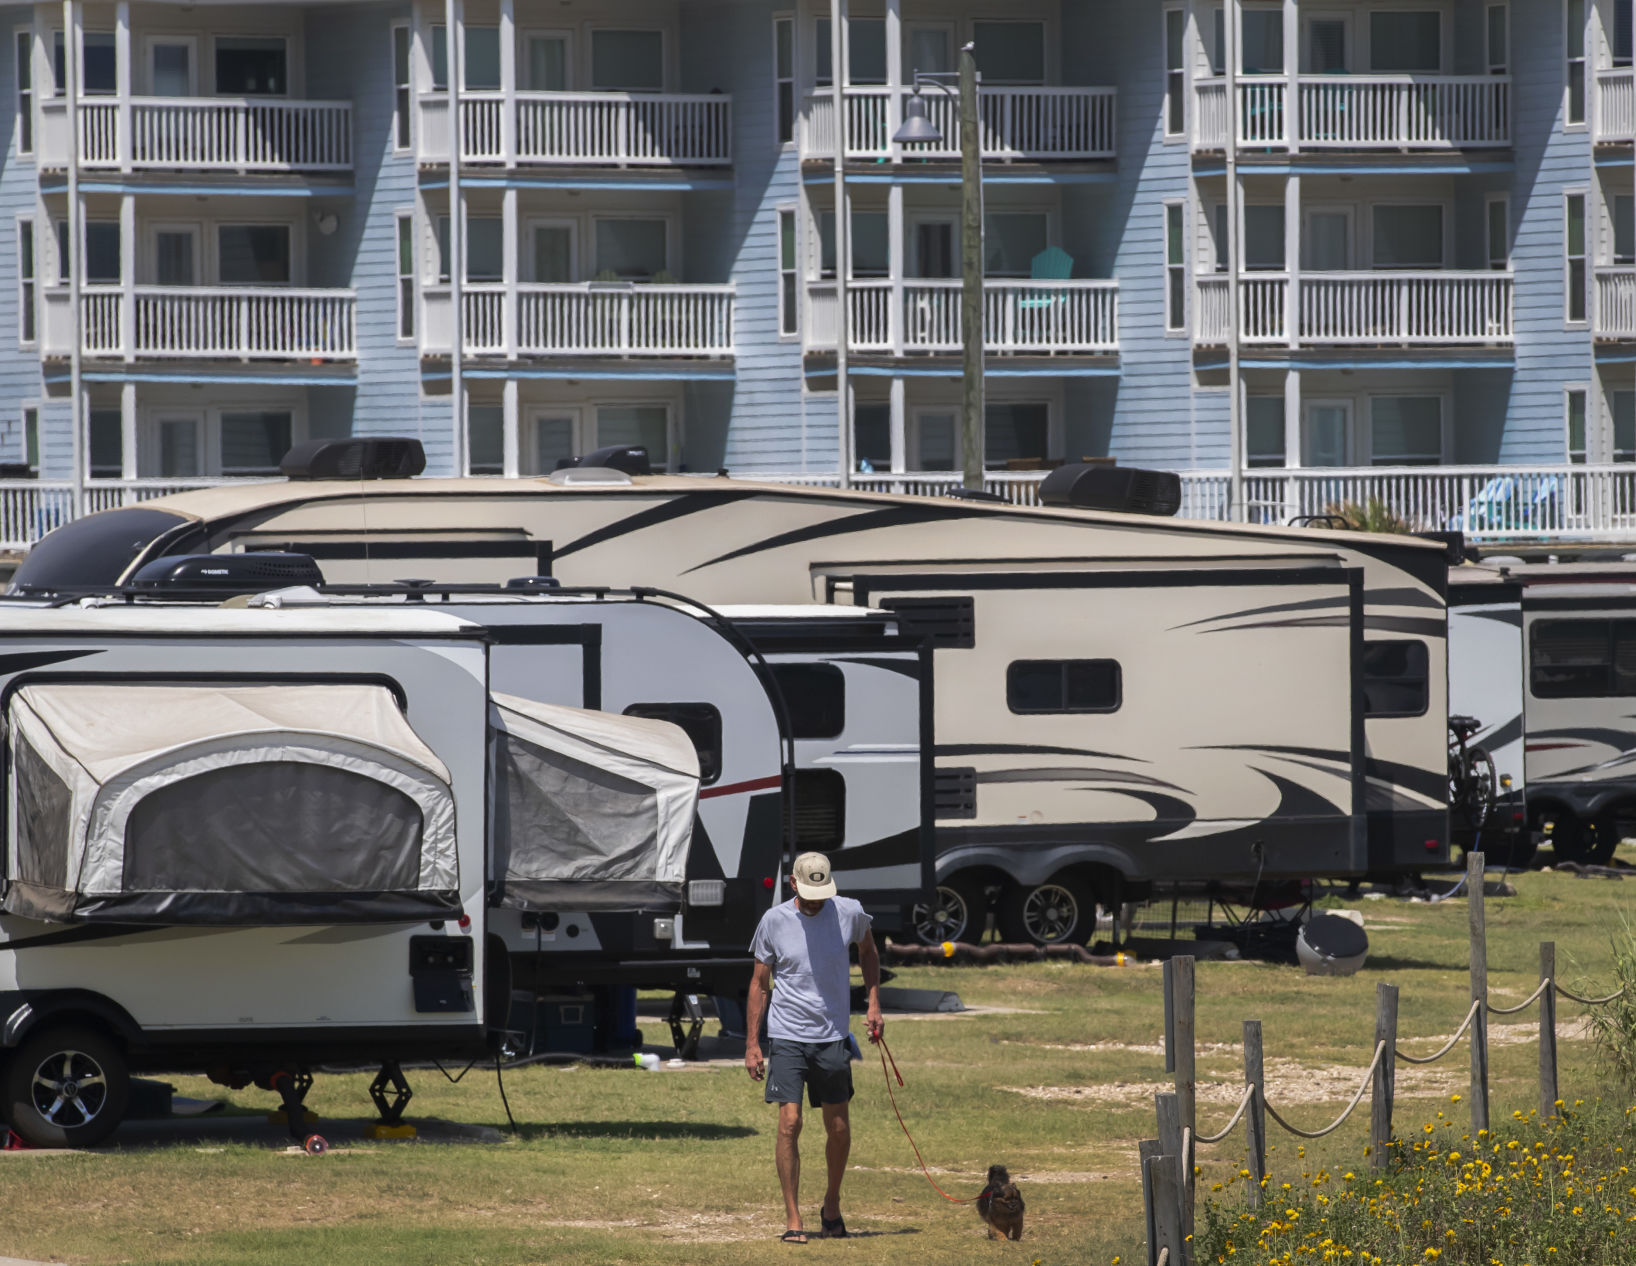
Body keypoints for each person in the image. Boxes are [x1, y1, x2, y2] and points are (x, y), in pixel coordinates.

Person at [744, 851, 883, 1244]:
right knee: (790, 1123)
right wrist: (752, 1043)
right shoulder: (774, 921)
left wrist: (873, 1003)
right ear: (793, 884)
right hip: (787, 1035)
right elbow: (759, 983)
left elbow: (868, 952)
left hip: (832, 1035)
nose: (816, 901)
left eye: (821, 894)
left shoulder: (850, 912)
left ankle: (832, 1205)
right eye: (808, 894)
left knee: (838, 1128)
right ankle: (793, 1218)